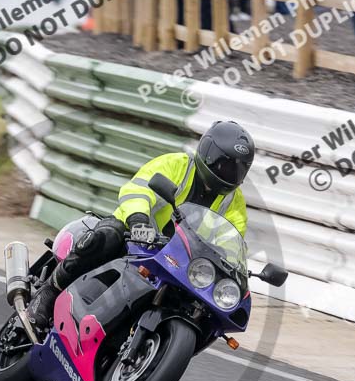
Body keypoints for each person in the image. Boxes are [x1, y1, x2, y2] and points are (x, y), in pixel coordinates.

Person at [27, 121, 255, 331]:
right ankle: (50, 291)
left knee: (205, 310)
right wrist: (138, 220)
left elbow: (229, 244)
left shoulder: (234, 204)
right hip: (136, 236)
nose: (229, 173)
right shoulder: (176, 165)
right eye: (224, 165)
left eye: (237, 169)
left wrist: (230, 269)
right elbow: (138, 189)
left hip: (179, 262)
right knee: (108, 236)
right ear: (208, 154)